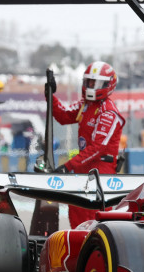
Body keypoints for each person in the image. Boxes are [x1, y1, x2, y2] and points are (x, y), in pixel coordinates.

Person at [47, 61, 125, 228]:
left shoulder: (109, 112)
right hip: (81, 170)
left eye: (96, 83)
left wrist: (68, 166)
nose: (91, 86)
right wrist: (50, 95)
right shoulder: (85, 105)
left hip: (100, 174)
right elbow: (63, 116)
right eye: (89, 82)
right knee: (76, 218)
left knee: (94, 224)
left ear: (108, 84)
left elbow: (97, 148)